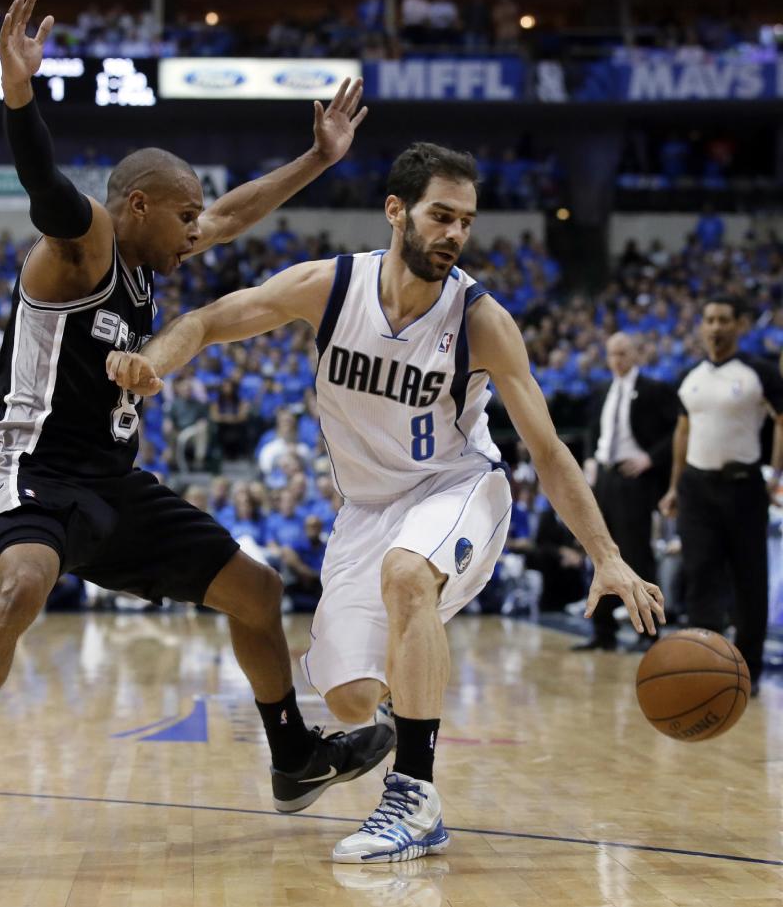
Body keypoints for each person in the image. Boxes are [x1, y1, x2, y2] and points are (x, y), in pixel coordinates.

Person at [0, 0, 391, 867]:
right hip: (35, 470)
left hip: (114, 486)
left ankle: (294, 757)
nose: (200, 231)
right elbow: (44, 186)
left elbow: (235, 212)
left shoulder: (160, 250)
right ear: (141, 205)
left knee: (258, 594)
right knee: (25, 582)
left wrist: (318, 156)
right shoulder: (83, 244)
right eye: (185, 216)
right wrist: (17, 96)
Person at [106, 141, 666, 863]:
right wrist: (153, 361)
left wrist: (608, 556)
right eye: (441, 215)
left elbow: (550, 451)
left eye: (466, 221)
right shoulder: (331, 287)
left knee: (408, 575)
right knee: (349, 698)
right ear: (395, 211)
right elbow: (211, 319)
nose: (455, 234)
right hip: (366, 510)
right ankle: (410, 682)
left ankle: (417, 795)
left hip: (459, 486)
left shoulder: (479, 320)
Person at [660, 296, 783, 697]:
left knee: (750, 582)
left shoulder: (758, 372)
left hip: (745, 486)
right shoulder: (689, 376)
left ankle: (747, 673)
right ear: (701, 326)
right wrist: (675, 486)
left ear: (739, 326)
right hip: (696, 488)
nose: (715, 327)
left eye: (723, 320)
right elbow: (682, 432)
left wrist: (774, 474)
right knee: (700, 579)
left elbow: (781, 420)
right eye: (709, 320)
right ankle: (706, 670)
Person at [575, 332, 678, 651]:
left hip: (634, 480)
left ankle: (648, 634)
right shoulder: (603, 389)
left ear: (635, 354)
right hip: (604, 478)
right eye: (612, 354)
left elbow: (676, 432)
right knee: (599, 552)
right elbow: (594, 430)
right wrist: (591, 458)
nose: (617, 359)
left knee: (636, 554)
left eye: (622, 353)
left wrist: (650, 458)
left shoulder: (654, 390)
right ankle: (602, 633)